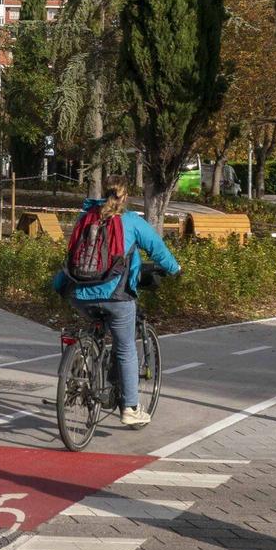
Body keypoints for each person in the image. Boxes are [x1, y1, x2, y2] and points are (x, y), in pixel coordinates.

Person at [51, 182, 180, 429]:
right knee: (125, 349)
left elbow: (72, 255)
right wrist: (175, 269)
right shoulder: (130, 221)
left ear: (104, 195)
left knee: (94, 323)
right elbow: (157, 249)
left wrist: (58, 285)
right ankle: (131, 408)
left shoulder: (85, 217)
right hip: (116, 296)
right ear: (126, 197)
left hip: (79, 294)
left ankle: (81, 363)